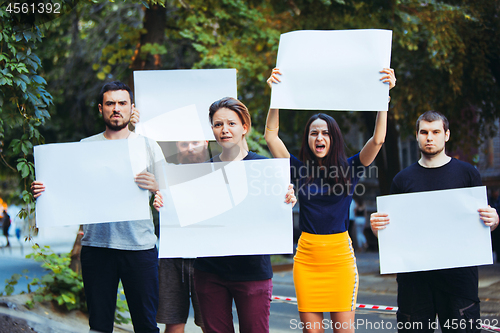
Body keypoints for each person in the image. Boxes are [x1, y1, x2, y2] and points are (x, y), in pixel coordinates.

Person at [265, 67, 396, 333]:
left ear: (333, 138)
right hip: (306, 259)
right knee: (312, 331)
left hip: (340, 259)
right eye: (314, 133)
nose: (319, 137)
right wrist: (275, 96)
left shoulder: (351, 167)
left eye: (325, 133)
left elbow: (378, 139)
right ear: (308, 139)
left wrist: (385, 97)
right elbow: (271, 135)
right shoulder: (298, 169)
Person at [32, 81, 165, 333]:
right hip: (97, 247)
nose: (116, 108)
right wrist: (43, 191)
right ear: (101, 109)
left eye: (122, 103)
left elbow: (169, 192)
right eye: (110, 103)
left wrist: (157, 186)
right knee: (99, 326)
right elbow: (67, 190)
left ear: (131, 108)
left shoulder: (148, 145)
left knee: (146, 325)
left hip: (139, 247)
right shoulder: (85, 146)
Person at [155, 97, 295, 333]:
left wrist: (287, 199)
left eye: (231, 123)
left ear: (244, 127)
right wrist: (165, 203)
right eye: (218, 124)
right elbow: (186, 218)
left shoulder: (267, 169)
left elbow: (274, 212)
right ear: (212, 130)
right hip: (210, 274)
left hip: (252, 273)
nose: (224, 130)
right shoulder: (200, 173)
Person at [370, 110, 499, 333]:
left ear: (446, 135)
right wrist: (377, 229)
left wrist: (493, 220)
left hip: (459, 282)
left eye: (436, 132)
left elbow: (482, 225)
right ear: (417, 135)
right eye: (424, 132)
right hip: (415, 284)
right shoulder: (402, 180)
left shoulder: (468, 174)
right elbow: (391, 235)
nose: (430, 137)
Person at [156, 140, 209, 333]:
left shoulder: (219, 170)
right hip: (172, 257)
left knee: (210, 322)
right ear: (177, 146)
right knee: (173, 321)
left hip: (207, 258)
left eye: (195, 142)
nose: (190, 148)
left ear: (205, 142)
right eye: (184, 143)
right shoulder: (164, 173)